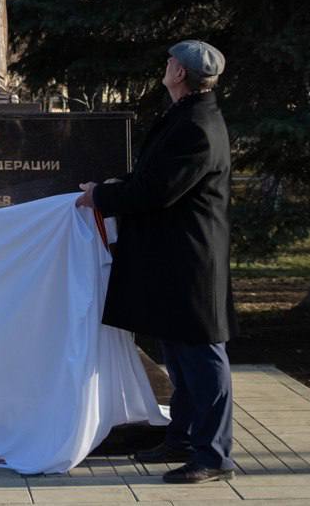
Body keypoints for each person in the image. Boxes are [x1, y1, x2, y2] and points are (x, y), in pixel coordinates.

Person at [76, 40, 237, 484]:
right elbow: (151, 176)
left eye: (170, 62)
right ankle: (182, 439)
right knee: (178, 353)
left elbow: (158, 191)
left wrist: (101, 197)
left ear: (181, 74)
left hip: (190, 259)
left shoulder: (196, 126)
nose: (165, 66)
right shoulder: (186, 116)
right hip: (173, 256)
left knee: (202, 355)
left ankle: (214, 454)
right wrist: (112, 185)